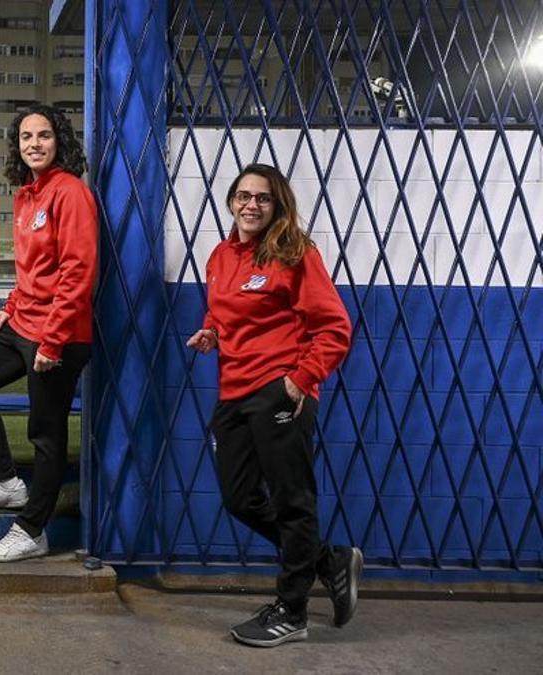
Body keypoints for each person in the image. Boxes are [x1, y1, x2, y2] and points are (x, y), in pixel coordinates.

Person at [185, 163, 360, 647]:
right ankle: (328, 561)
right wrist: (212, 332)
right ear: (231, 201)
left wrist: (301, 380)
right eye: (243, 196)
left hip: (279, 392)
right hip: (233, 392)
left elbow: (334, 328)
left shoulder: (296, 253)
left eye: (262, 198)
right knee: (239, 498)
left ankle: (294, 610)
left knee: (292, 502)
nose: (251, 205)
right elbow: (228, 311)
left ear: (277, 205)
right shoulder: (221, 256)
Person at [0, 104, 97, 562]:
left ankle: (32, 530)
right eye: (26, 137)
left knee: (46, 434)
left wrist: (52, 342)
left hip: (59, 334)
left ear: (60, 142)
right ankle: (7, 482)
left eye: (44, 135)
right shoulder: (25, 196)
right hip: (22, 322)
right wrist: (10, 307)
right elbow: (31, 270)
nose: (34, 143)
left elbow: (78, 272)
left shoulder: (70, 193)